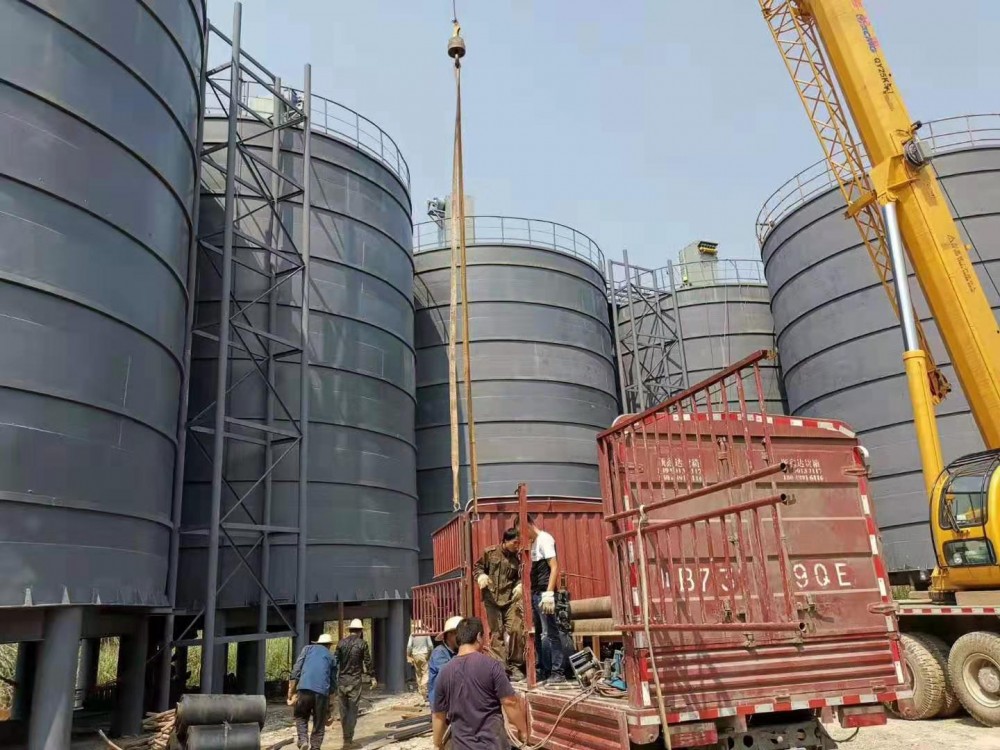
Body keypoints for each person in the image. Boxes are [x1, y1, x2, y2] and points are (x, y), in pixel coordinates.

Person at [432, 618, 528, 750]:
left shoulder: (444, 672)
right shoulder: (492, 666)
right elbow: (510, 702)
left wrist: (438, 743)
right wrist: (523, 730)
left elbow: (438, 715)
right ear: (478, 637)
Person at [473, 527, 526, 681]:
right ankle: (501, 668)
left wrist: (520, 585)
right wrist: (481, 576)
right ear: (505, 541)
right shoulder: (489, 553)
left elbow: (521, 576)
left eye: (518, 543)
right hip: (492, 600)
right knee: (497, 633)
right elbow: (477, 567)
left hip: (510, 600)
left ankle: (515, 666)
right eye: (514, 542)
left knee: (516, 629)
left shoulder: (517, 558)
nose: (517, 545)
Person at [527, 514, 567, 684]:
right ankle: (543, 669)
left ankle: (558, 671)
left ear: (528, 525)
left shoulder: (545, 539)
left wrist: (549, 593)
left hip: (545, 593)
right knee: (537, 633)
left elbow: (554, 566)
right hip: (536, 593)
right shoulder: (534, 543)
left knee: (550, 632)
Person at [287, 633, 338, 750]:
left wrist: (291, 691)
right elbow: (333, 682)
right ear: (329, 645)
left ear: (318, 643)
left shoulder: (307, 649)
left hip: (304, 688)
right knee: (319, 723)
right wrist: (330, 707)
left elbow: (296, 670)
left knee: (300, 716)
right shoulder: (331, 657)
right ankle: (315, 748)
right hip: (321, 692)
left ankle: (303, 740)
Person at [335, 619, 376, 749]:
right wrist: (372, 677)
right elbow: (367, 661)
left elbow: (335, 662)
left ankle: (345, 738)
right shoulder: (362, 644)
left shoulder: (341, 643)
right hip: (355, 681)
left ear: (350, 630)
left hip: (342, 680)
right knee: (353, 710)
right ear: (360, 631)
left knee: (343, 711)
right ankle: (348, 740)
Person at [428, 615, 461, 710]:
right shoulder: (439, 653)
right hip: (442, 706)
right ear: (449, 635)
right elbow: (451, 675)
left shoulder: (457, 652)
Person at [407, 625, 435, 703]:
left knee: (418, 673)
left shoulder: (413, 634)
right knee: (425, 672)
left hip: (415, 654)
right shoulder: (426, 634)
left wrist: (408, 655)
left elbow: (409, 646)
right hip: (424, 654)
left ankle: (420, 691)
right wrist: (430, 654)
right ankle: (424, 689)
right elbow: (430, 646)